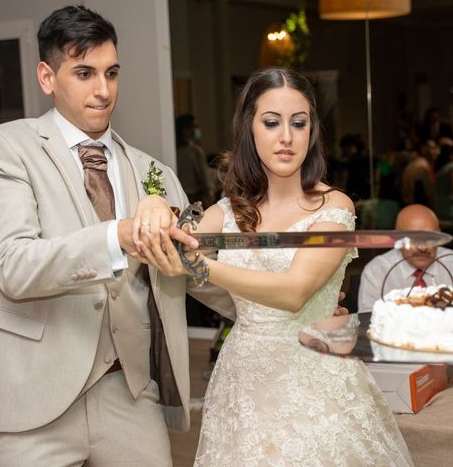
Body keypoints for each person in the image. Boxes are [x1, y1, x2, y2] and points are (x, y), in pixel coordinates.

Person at [0, 5, 233, 466]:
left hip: (130, 392)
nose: (103, 90)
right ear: (46, 76)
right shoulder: (3, 149)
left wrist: (284, 307)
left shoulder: (153, 172)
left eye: (111, 73)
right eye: (84, 72)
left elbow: (194, 269)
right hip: (29, 399)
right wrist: (118, 235)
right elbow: (14, 266)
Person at [135, 67, 413, 465]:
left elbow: (294, 291)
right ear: (250, 129)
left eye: (298, 124)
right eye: (271, 122)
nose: (286, 137)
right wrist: (154, 205)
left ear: (311, 132)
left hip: (316, 386)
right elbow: (169, 238)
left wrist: (200, 266)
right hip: (243, 383)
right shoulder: (227, 211)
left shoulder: (334, 207)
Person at [358, 204, 453, 313]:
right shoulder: (377, 271)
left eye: (429, 238)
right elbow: (368, 320)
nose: (423, 248)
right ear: (397, 237)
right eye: (414, 238)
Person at [175, 114, 215, 207]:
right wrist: (210, 196)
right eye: (194, 126)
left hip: (179, 198)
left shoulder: (175, 150)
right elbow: (205, 178)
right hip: (195, 199)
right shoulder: (194, 151)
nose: (197, 130)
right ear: (185, 130)